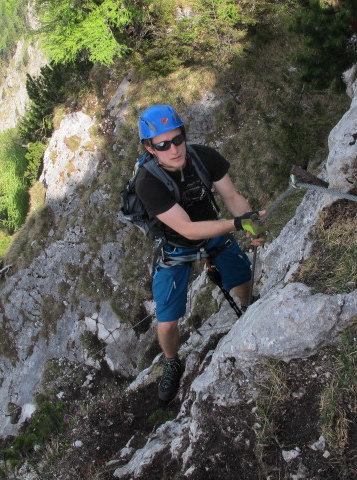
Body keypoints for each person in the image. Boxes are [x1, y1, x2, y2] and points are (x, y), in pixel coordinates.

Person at [134, 104, 264, 402]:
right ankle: (171, 361)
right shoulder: (148, 182)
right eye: (162, 144)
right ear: (149, 148)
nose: (174, 149)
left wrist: (249, 224)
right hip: (177, 246)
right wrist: (235, 224)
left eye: (177, 139)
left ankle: (248, 307)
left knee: (242, 278)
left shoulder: (203, 157)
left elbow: (231, 196)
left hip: (215, 233)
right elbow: (188, 230)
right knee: (166, 322)